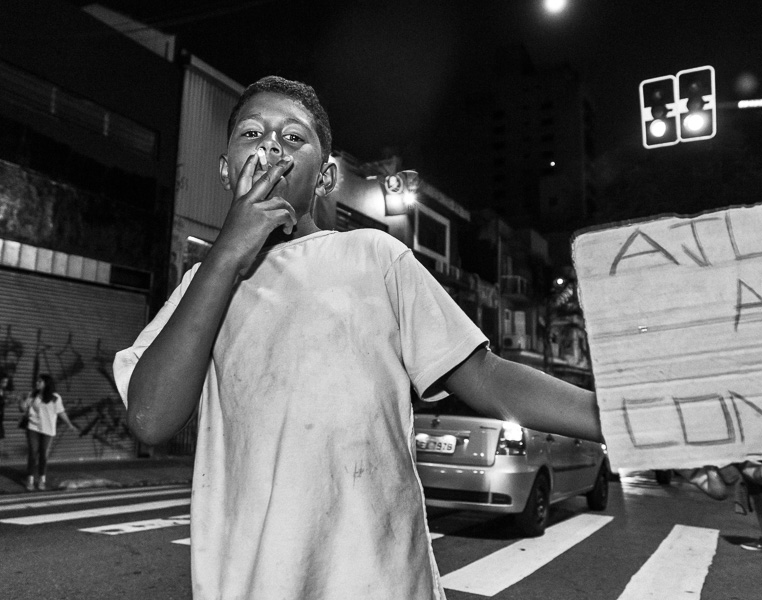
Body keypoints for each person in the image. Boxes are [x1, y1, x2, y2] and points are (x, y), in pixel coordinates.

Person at [113, 76, 604, 600]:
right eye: (252, 134)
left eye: (293, 138)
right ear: (224, 167)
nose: (271, 146)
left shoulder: (374, 257)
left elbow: (488, 378)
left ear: (325, 178)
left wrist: (628, 417)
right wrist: (227, 253)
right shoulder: (200, 288)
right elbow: (150, 418)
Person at [20, 373, 75, 491]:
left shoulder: (55, 397)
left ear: (46, 383)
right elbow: (23, 408)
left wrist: (69, 424)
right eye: (37, 381)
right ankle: (30, 479)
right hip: (33, 428)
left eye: (40, 382)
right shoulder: (33, 395)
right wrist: (22, 402)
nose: (37, 383)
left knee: (43, 455)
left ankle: (41, 479)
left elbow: (61, 412)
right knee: (33, 453)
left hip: (48, 430)